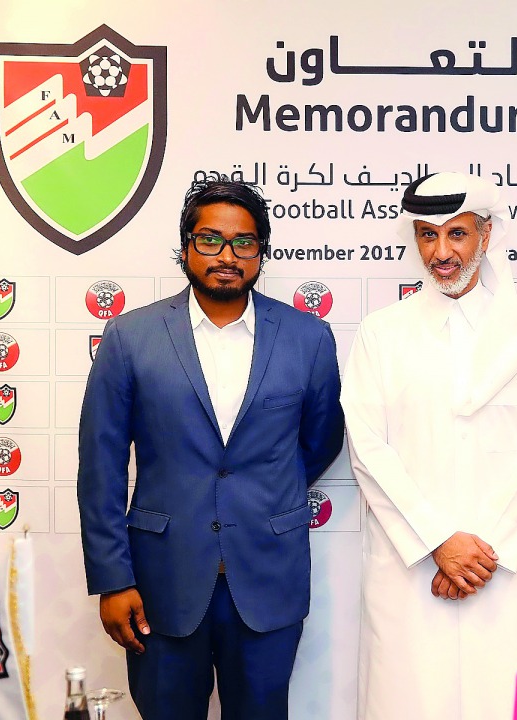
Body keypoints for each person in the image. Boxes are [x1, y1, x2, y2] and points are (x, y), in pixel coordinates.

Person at [77, 180, 345, 720]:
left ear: (261, 253)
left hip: (268, 576)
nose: (227, 256)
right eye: (210, 240)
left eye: (244, 243)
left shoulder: (307, 338)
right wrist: (113, 578)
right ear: (185, 249)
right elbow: (100, 465)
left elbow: (321, 440)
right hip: (160, 582)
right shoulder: (130, 337)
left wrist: (267, 489)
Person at [341, 172, 517, 720]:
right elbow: (367, 450)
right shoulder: (381, 332)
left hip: (507, 568)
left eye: (457, 235)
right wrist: (439, 540)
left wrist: (478, 552)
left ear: (485, 236)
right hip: (413, 566)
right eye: (427, 235)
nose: (441, 253)